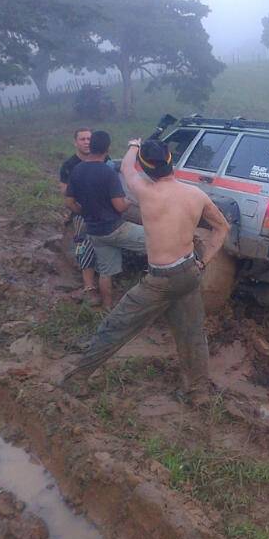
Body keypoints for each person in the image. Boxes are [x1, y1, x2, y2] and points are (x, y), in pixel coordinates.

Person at [61, 136, 230, 405]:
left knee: (116, 326)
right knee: (192, 335)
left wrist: (133, 145)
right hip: (188, 272)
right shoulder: (196, 195)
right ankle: (198, 393)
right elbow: (222, 228)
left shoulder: (144, 191)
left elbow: (127, 168)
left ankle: (77, 379)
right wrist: (204, 260)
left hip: (160, 280)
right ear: (171, 161)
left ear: (146, 167)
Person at [65, 131, 146, 310]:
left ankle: (107, 308)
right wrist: (131, 200)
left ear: (91, 146)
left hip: (95, 232)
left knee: (105, 273)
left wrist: (85, 211)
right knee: (157, 241)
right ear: (107, 148)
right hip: (115, 229)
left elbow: (69, 202)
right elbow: (119, 206)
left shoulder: (77, 170)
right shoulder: (107, 173)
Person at [59, 128, 100, 304]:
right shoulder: (69, 165)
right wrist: (80, 209)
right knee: (83, 244)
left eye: (89, 138)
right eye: (82, 139)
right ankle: (89, 286)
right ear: (75, 142)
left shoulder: (103, 159)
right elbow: (65, 192)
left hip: (104, 210)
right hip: (81, 212)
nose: (86, 142)